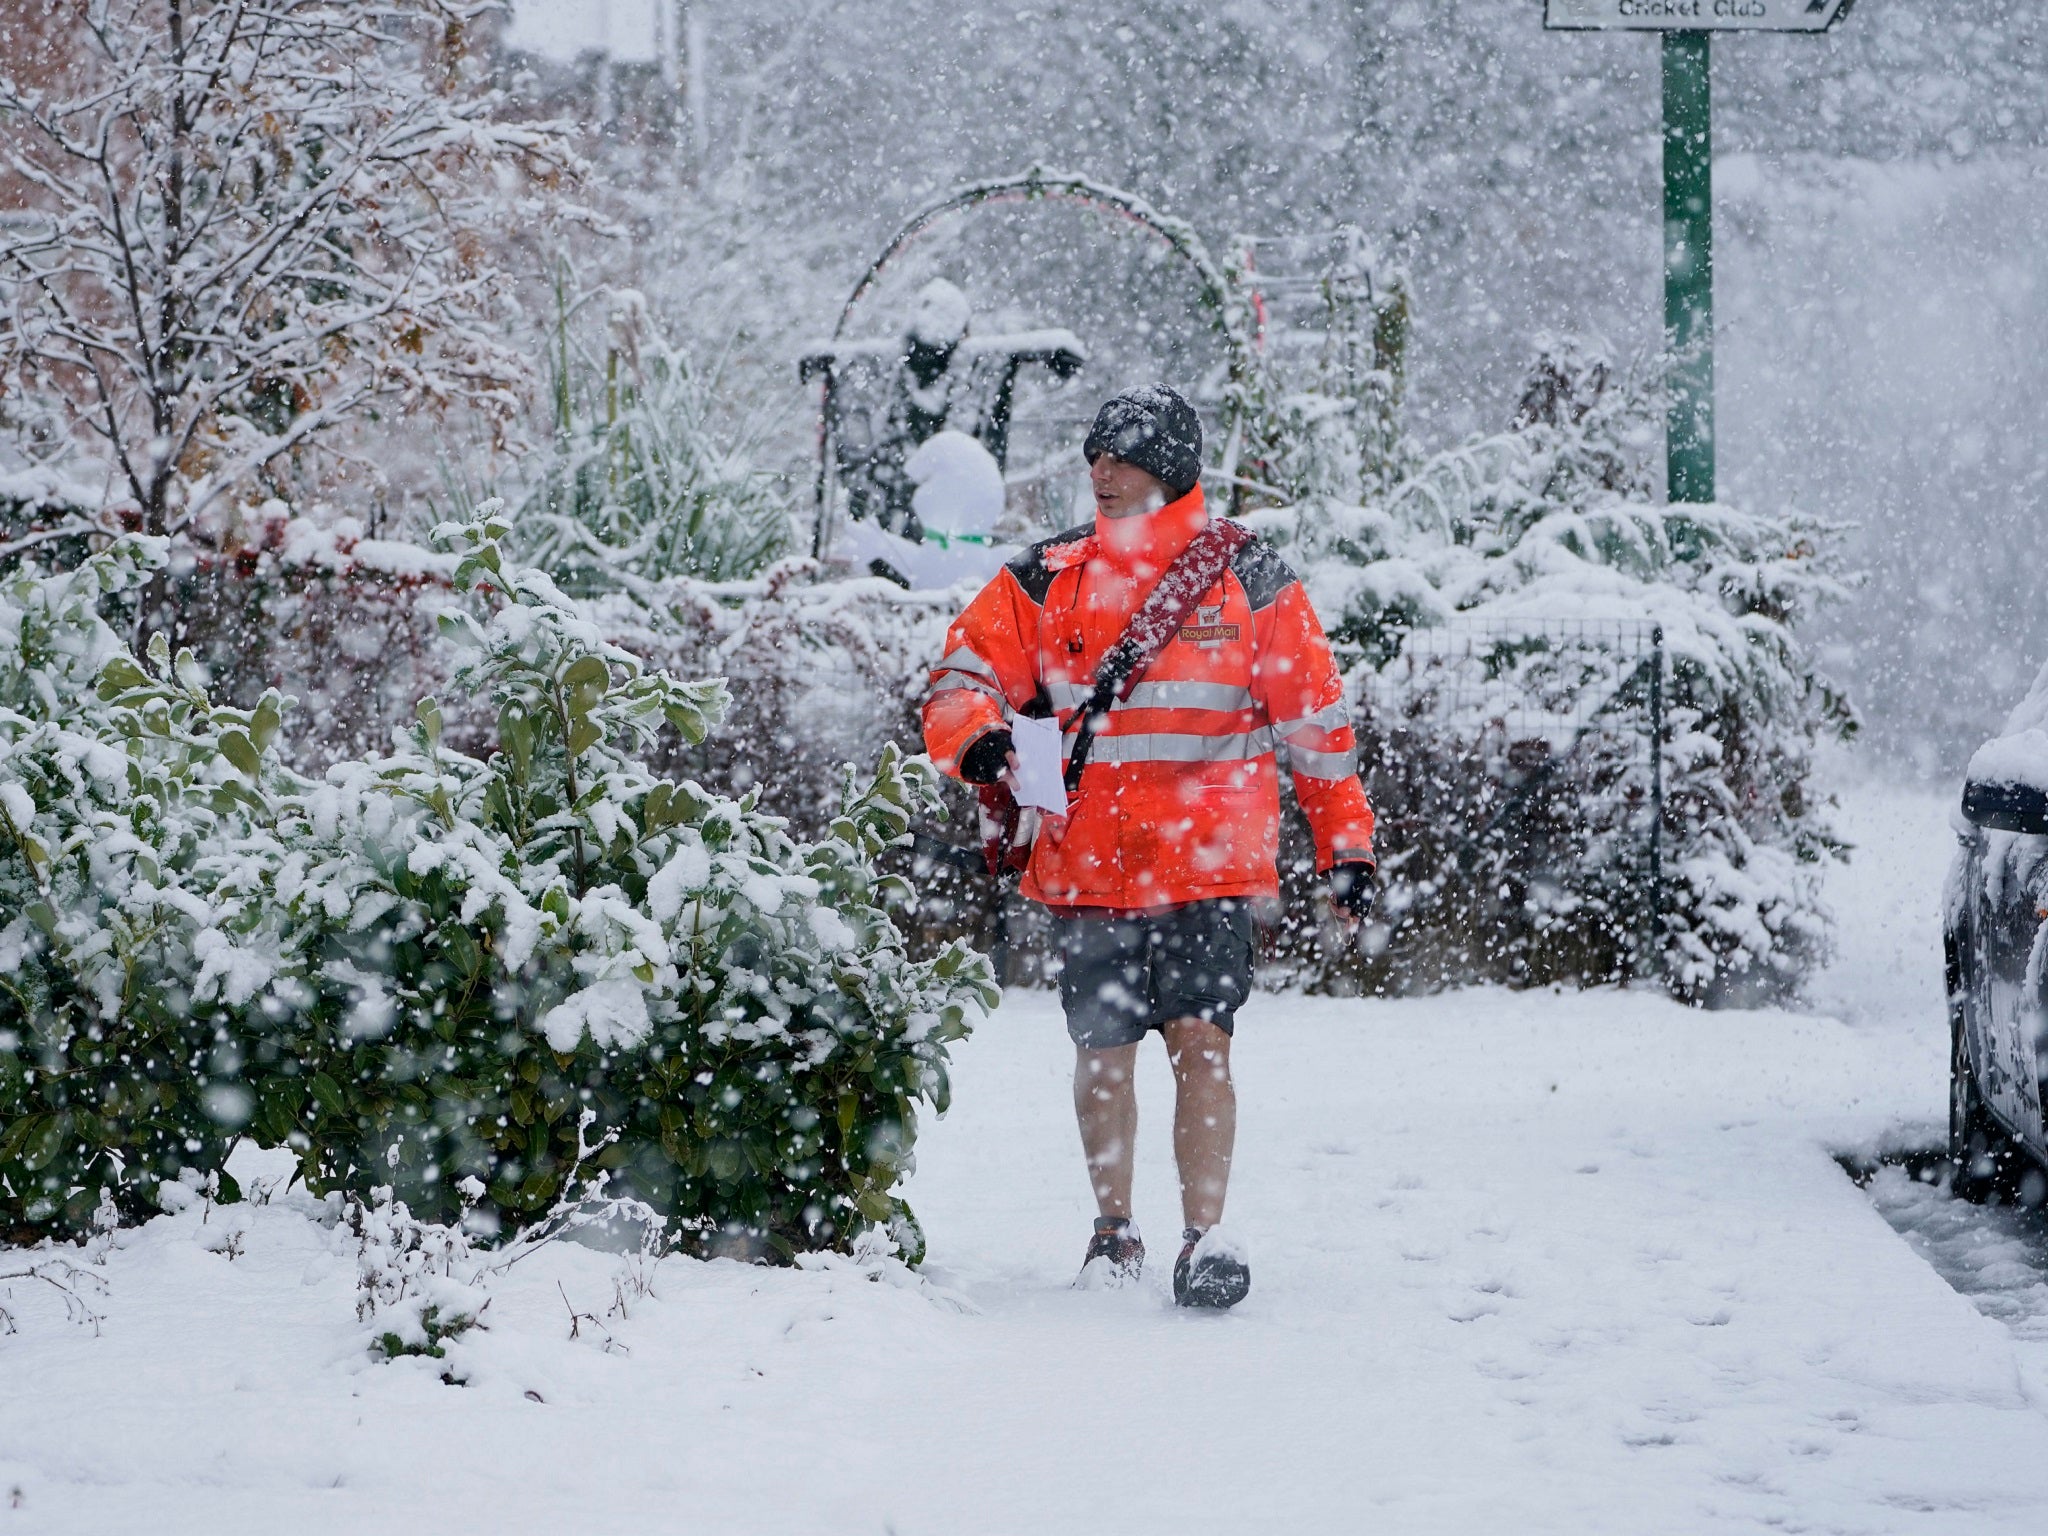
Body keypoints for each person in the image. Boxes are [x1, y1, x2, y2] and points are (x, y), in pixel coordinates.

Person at [922, 384, 1377, 1309]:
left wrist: (1347, 844)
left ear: (1168, 470)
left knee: (1202, 1043)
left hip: (1207, 868)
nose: (1101, 471)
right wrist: (974, 733)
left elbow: (1315, 722)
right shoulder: (1047, 577)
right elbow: (961, 672)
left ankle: (1207, 1238)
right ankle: (1111, 1233)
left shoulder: (1250, 580)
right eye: (1094, 454)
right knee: (1104, 1049)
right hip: (1090, 864)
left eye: (1120, 455)